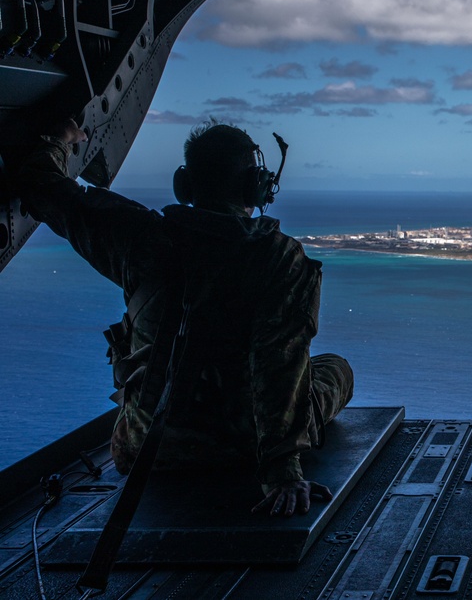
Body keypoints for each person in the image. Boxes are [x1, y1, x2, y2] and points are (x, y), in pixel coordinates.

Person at [4, 117, 353, 516]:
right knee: (335, 368)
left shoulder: (138, 236)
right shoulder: (280, 258)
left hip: (149, 449)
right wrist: (282, 471)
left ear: (184, 184)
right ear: (257, 185)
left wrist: (61, 139)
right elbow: (279, 364)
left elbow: (43, 186)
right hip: (245, 447)